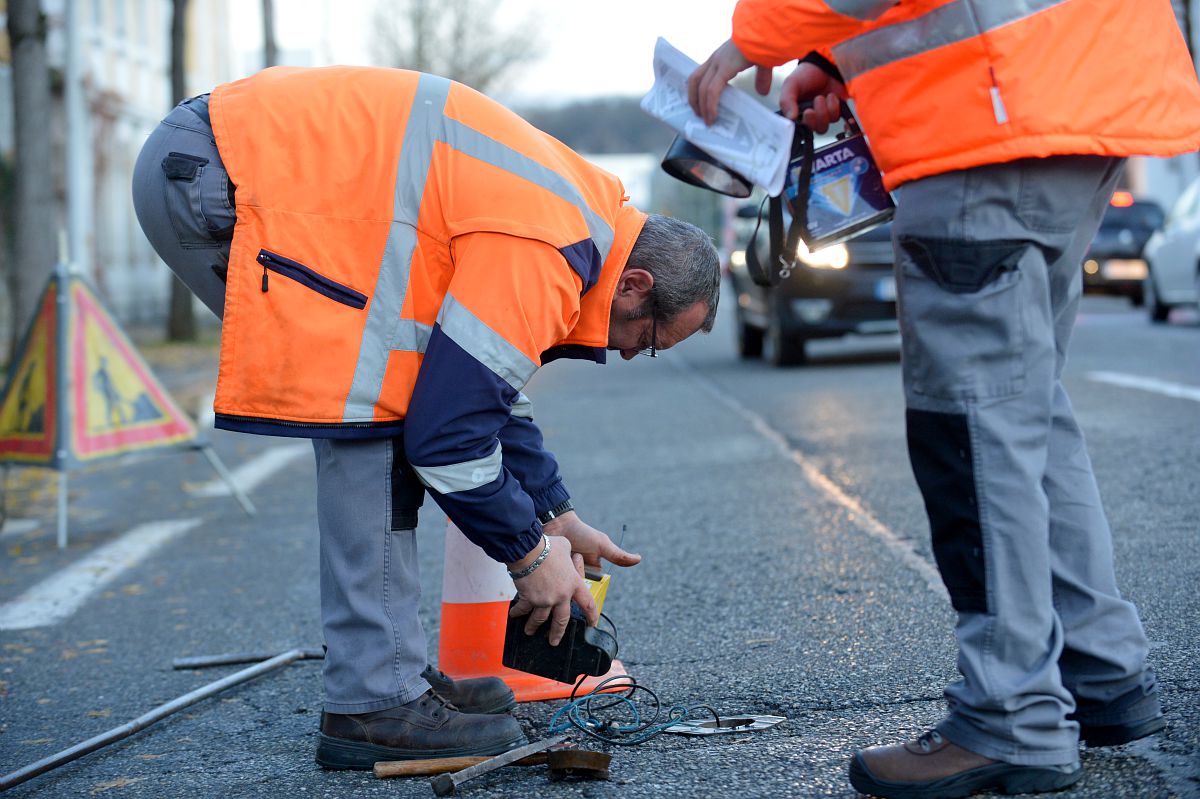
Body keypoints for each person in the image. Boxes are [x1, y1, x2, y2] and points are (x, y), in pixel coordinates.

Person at [132, 65, 721, 770]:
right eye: (650, 340)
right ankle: (373, 702)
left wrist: (555, 513)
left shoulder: (575, 219)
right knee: (370, 409)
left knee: (393, 392)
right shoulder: (550, 246)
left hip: (229, 158)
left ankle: (390, 679)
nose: (633, 354)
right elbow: (447, 436)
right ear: (636, 285)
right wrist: (529, 558)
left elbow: (481, 381)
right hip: (225, 176)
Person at [688, 2, 1200, 797]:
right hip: (1074, 98)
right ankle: (1099, 672)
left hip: (985, 123)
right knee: (1024, 408)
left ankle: (1012, 714)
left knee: (970, 423)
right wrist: (835, 53)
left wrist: (757, 35)